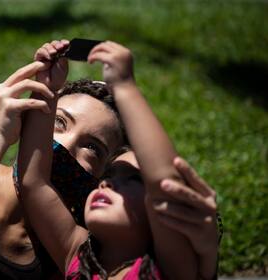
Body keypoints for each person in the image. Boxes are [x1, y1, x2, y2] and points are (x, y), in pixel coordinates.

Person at [0, 40, 218, 279]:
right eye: (57, 123)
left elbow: (160, 187)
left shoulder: (75, 249)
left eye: (92, 147)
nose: (64, 145)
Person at [16, 40, 219, 279]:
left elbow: (164, 185)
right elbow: (34, 181)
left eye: (133, 180)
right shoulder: (77, 258)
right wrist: (47, 88)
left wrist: (125, 87)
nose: (107, 183)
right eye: (107, 176)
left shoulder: (168, 270)